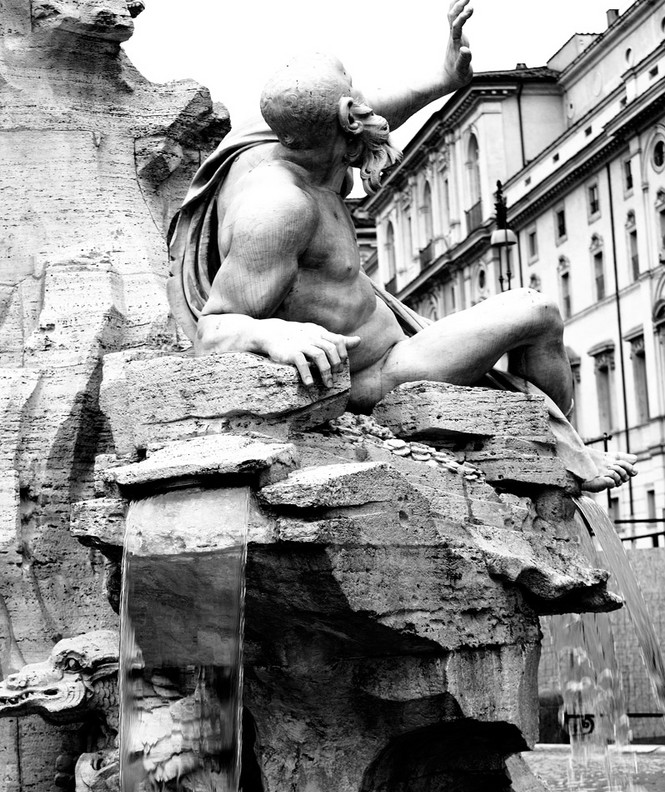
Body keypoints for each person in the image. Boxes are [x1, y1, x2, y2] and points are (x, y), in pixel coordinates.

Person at [168, 0, 636, 492]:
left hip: (395, 338)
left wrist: (442, 77)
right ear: (343, 125)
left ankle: (557, 444)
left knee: (521, 320)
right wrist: (274, 338)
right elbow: (213, 330)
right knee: (537, 310)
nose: (372, 115)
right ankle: (562, 457)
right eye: (357, 109)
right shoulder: (279, 208)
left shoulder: (285, 133)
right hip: (379, 372)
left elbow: (372, 112)